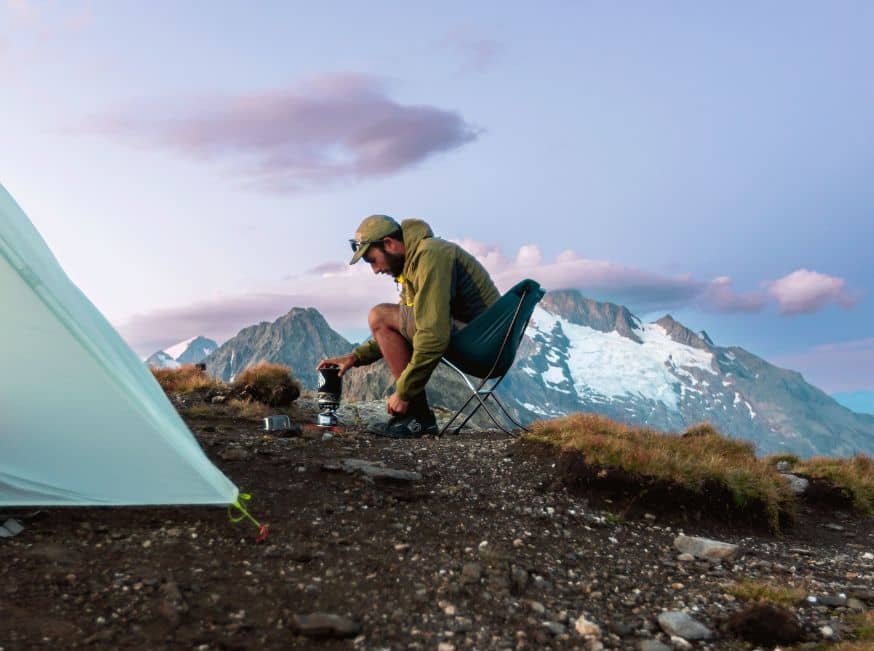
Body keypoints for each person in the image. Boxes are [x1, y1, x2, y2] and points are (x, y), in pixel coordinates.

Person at [318, 214, 500, 437]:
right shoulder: (415, 264)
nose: (374, 270)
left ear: (389, 244)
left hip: (485, 346)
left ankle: (417, 417)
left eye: (371, 260)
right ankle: (418, 417)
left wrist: (403, 393)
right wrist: (355, 358)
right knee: (384, 318)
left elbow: (432, 334)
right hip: (480, 341)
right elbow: (402, 328)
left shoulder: (430, 255)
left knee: (379, 315)